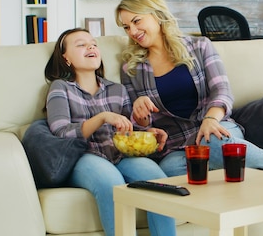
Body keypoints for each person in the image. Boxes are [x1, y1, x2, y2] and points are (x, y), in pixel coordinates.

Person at [114, 0, 263, 177]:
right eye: (126, 27)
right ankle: (235, 169)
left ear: (157, 14)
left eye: (136, 21)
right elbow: (139, 125)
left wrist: (210, 120)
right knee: (170, 170)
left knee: (214, 144)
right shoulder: (131, 68)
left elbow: (222, 91)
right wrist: (140, 117)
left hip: (215, 126)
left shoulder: (200, 47)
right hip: (176, 145)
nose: (132, 31)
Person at [44, 28, 176, 236]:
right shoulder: (60, 88)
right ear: (65, 58)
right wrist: (102, 117)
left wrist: (147, 130)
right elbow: (61, 133)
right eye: (80, 44)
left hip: (120, 154)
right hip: (83, 156)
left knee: (160, 182)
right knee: (112, 184)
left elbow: (128, 130)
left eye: (94, 44)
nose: (90, 47)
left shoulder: (117, 89)